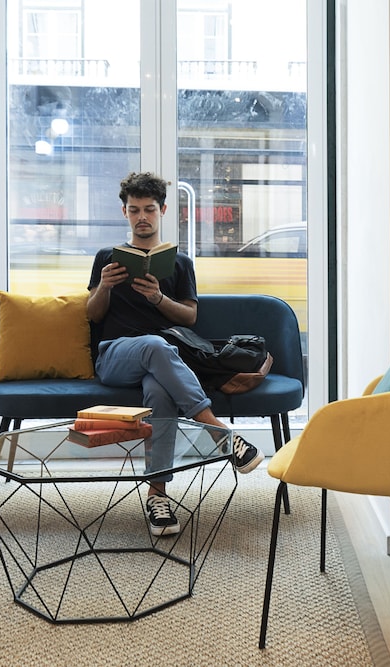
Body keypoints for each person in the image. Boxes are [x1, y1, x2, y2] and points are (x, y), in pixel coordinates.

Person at [86, 171, 264, 537]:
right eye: (134, 210)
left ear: (163, 210)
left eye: (149, 209)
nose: (142, 217)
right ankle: (219, 433)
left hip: (162, 363)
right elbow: (92, 315)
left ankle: (157, 496)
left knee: (160, 392)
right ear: (124, 213)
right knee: (154, 345)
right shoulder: (107, 258)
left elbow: (190, 316)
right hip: (115, 356)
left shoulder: (179, 263)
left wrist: (157, 298)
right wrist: (104, 285)